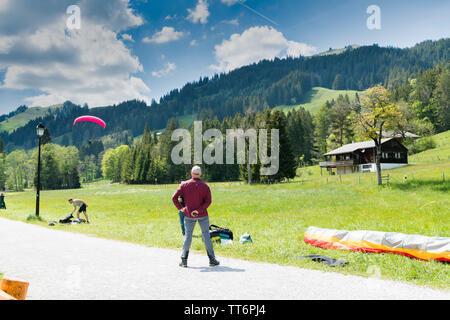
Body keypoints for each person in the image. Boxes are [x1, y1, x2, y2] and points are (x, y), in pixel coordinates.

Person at [172, 166, 219, 267]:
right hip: (202, 215)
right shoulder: (205, 186)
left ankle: (184, 260)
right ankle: (212, 259)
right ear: (200, 174)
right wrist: (199, 210)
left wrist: (181, 208)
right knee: (206, 235)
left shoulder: (184, 185)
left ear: (191, 173)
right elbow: (208, 201)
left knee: (188, 236)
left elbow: (174, 197)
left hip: (188, 214)